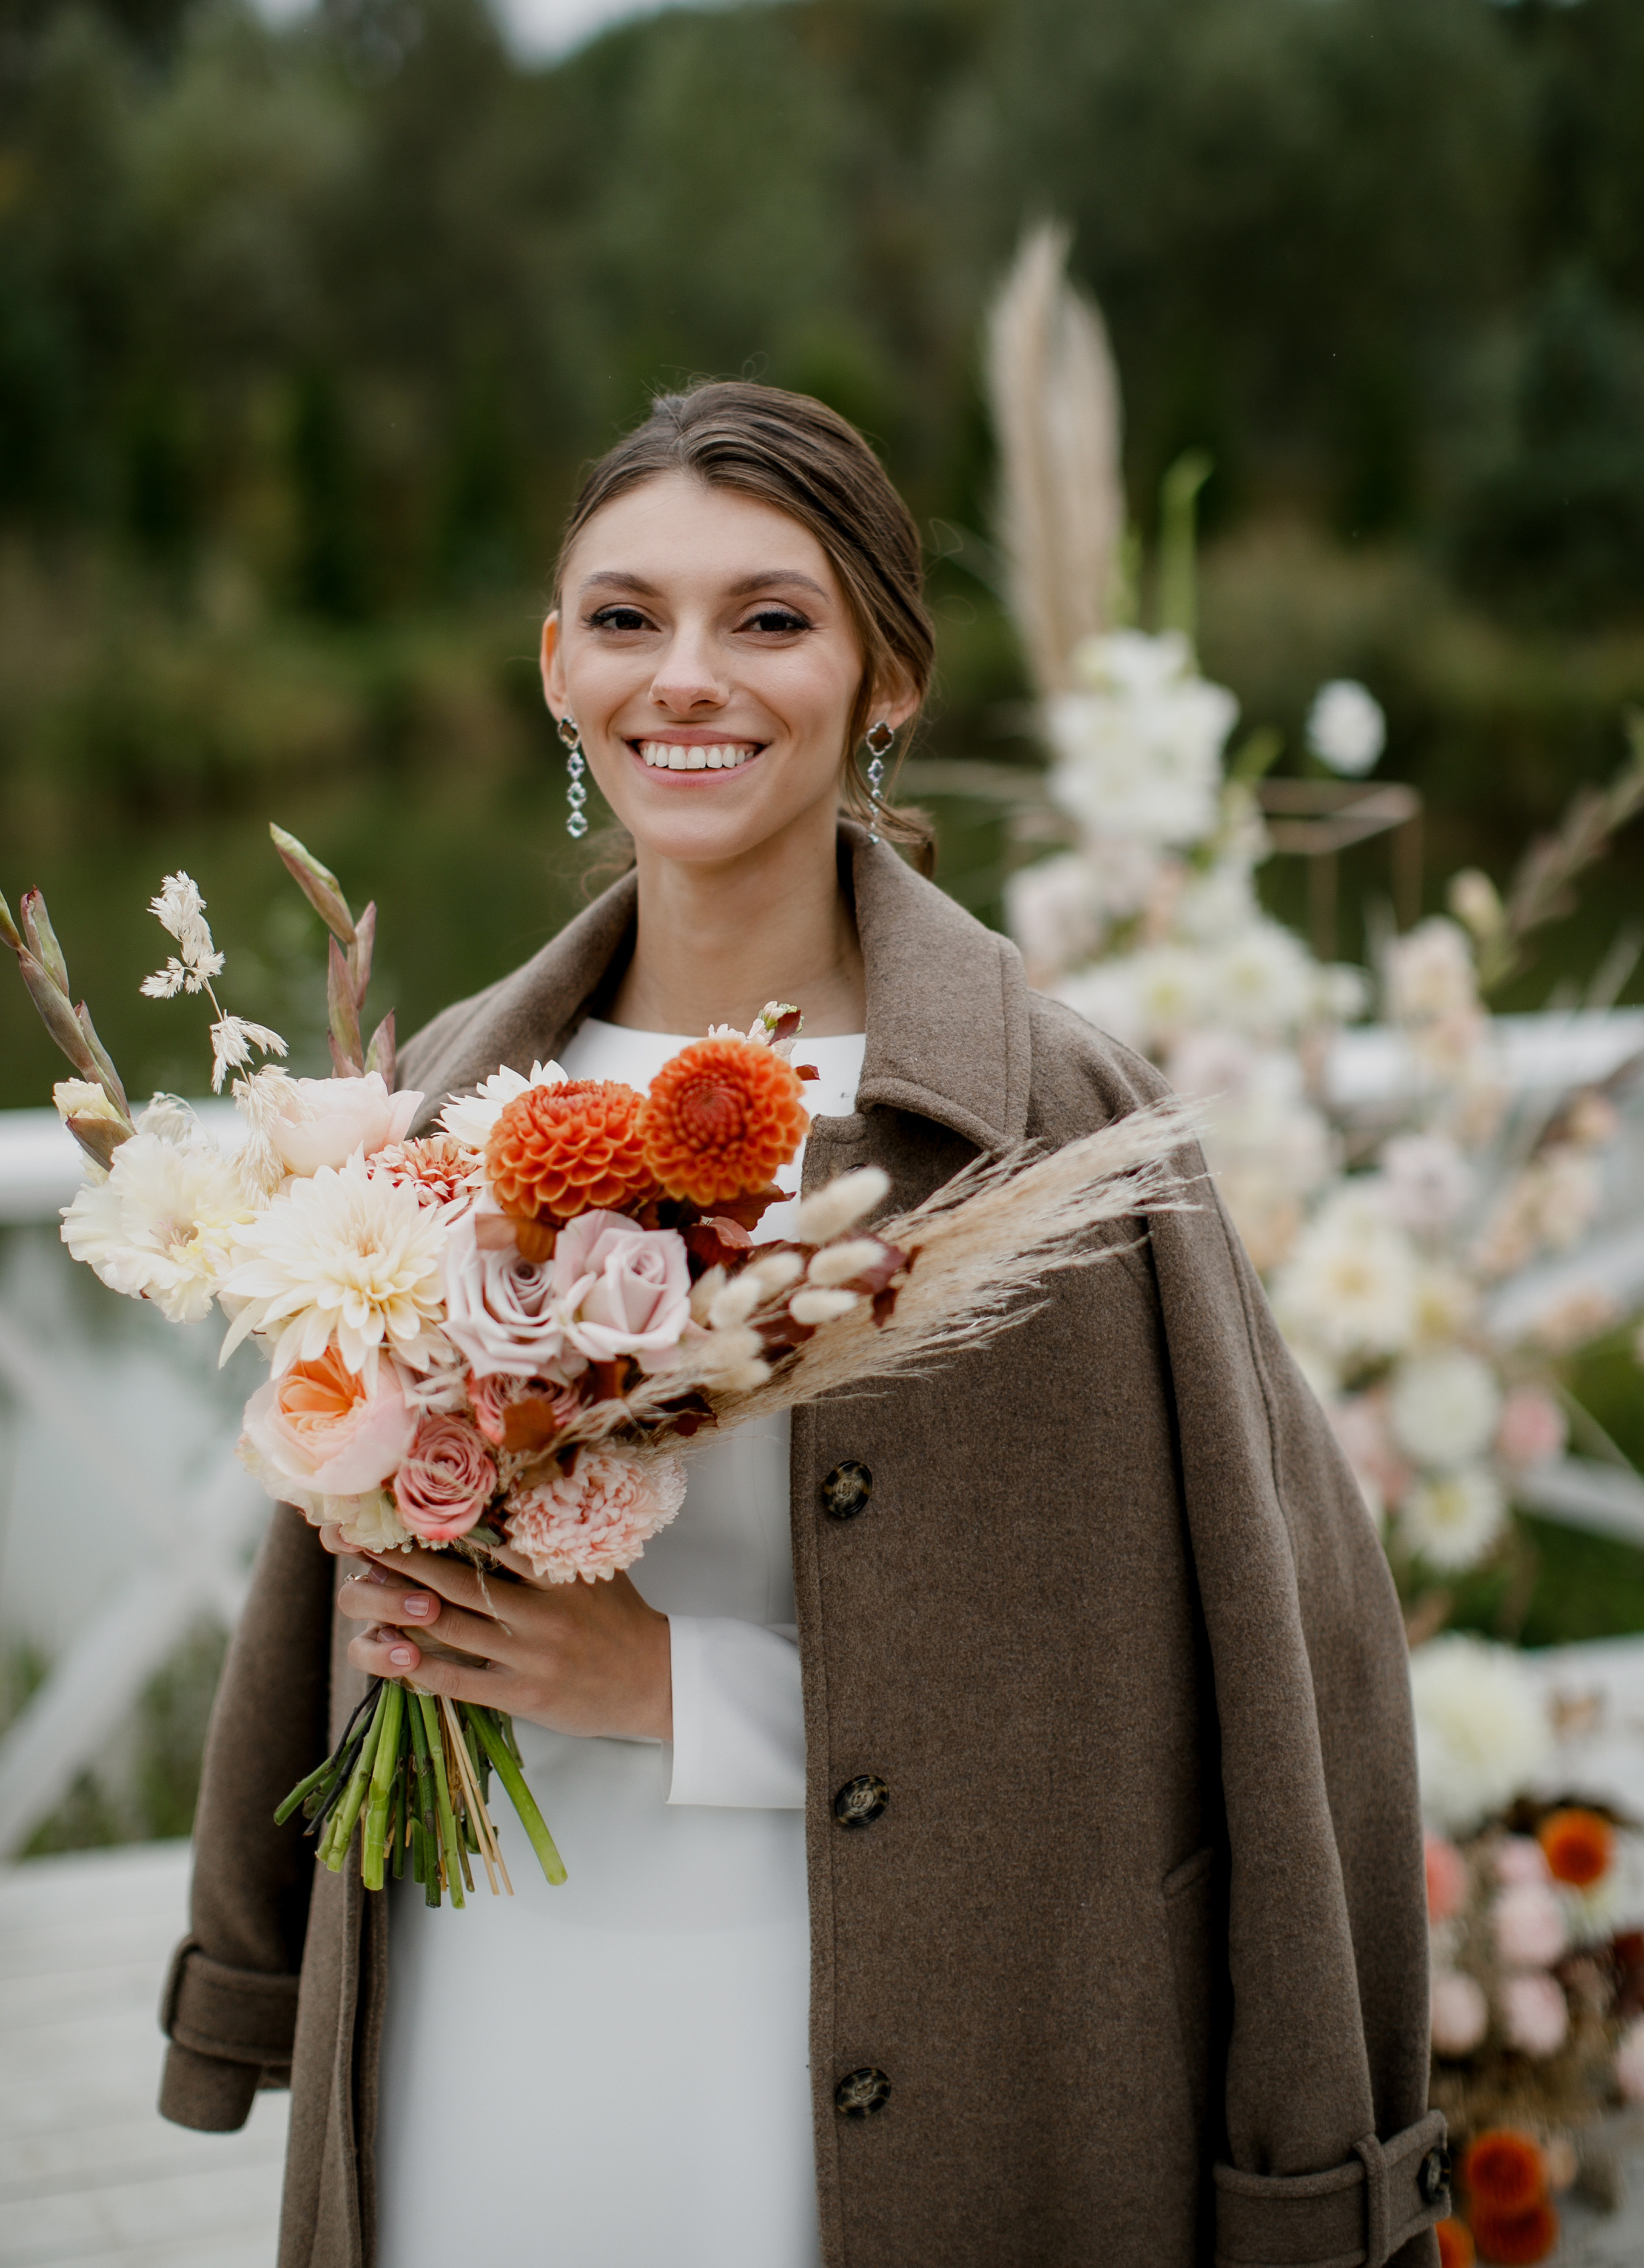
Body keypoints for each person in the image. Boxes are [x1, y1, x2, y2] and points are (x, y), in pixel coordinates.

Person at [160, 382, 1448, 2268]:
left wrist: (665, 1691)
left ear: (885, 678)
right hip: (477, 2014)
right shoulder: (441, 1087)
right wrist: (259, 1942)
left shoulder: (1049, 1128)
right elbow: (322, 1567)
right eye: (626, 617)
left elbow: (1189, 1687)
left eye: (770, 618)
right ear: (555, 673)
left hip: (857, 2053)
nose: (689, 677)